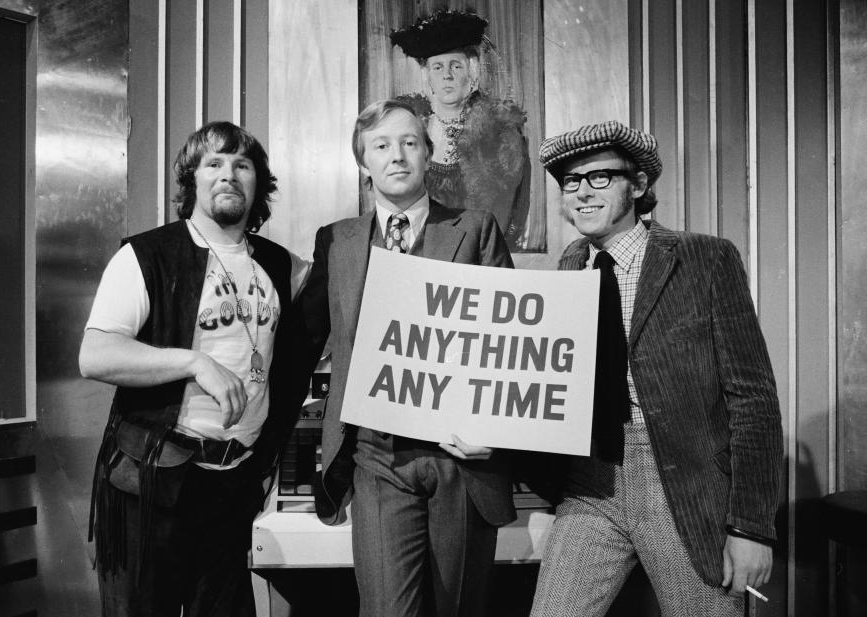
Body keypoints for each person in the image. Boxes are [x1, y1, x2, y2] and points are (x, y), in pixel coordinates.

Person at [527, 120, 783, 616]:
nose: (581, 192)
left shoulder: (704, 258)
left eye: (598, 177)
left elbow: (753, 400)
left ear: (639, 185)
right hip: (590, 482)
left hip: (680, 484)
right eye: (570, 182)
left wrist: (750, 528)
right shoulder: (571, 264)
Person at [78, 121, 307, 617]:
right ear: (192, 180)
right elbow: (95, 356)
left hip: (233, 483)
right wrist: (195, 363)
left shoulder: (281, 265)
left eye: (242, 165)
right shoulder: (146, 254)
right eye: (214, 164)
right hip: (152, 482)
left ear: (258, 183)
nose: (229, 175)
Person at [297, 99, 515, 617]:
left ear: (428, 155)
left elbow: (511, 349)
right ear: (363, 162)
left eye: (409, 143)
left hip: (458, 459)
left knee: (458, 607)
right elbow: (301, 345)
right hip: (377, 456)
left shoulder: (476, 229)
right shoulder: (339, 241)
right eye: (381, 146)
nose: (396, 156)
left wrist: (498, 436)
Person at [390, 9, 530, 249]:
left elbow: (510, 213)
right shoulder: (409, 130)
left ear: (472, 72)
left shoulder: (501, 133)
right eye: (437, 68)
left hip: (478, 255)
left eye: (455, 66)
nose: (446, 76)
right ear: (428, 77)